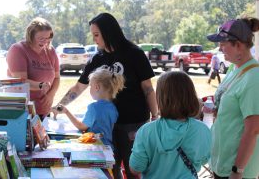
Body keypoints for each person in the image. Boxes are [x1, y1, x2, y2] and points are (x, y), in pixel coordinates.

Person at [53, 12, 158, 178]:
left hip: (133, 123)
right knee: (110, 169)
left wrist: (155, 116)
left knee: (134, 169)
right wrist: (60, 105)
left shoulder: (134, 53)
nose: (94, 39)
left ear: (108, 32)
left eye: (96, 35)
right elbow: (79, 87)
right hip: (107, 126)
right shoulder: (97, 58)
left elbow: (148, 88)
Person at [129, 71, 211, 178]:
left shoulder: (146, 131)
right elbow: (205, 159)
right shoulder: (202, 129)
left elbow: (135, 168)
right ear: (191, 96)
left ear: (160, 98)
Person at [207, 18, 259, 179]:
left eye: (223, 43)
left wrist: (238, 171)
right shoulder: (233, 68)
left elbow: (253, 129)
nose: (220, 48)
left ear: (238, 45)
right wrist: (214, 108)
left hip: (236, 169)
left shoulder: (254, 77)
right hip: (222, 162)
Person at [52, 67, 125, 149]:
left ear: (97, 87)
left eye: (90, 86)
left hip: (95, 147)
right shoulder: (113, 108)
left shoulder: (94, 107)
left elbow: (81, 126)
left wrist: (66, 112)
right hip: (109, 148)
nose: (90, 89)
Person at [7, 17, 60, 119]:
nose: (45, 42)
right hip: (22, 111)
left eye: (48, 38)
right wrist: (40, 85)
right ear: (30, 35)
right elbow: (21, 81)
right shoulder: (18, 50)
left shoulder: (51, 51)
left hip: (44, 110)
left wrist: (50, 95)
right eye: (41, 38)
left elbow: (57, 78)